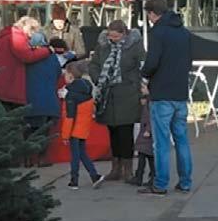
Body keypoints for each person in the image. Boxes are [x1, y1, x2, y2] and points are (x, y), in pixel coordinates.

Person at [140, 0, 193, 196]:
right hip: (180, 92)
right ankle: (185, 182)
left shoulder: (158, 32)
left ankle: (160, 184)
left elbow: (152, 61)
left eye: (148, 15)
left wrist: (144, 76)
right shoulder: (184, 32)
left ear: (152, 13)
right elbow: (188, 60)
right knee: (182, 140)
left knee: (161, 142)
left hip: (162, 93)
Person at [89, 19, 145, 183]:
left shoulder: (135, 46)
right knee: (112, 130)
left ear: (124, 34)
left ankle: (127, 169)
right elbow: (94, 64)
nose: (112, 39)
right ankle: (115, 168)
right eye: (110, 36)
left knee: (125, 131)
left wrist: (140, 88)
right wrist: (98, 79)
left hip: (128, 93)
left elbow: (143, 66)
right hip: (107, 93)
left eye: (116, 36)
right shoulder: (102, 45)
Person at [0, 16, 53, 109]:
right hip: (5, 84)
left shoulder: (6, 36)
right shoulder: (17, 36)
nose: (32, 35)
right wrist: (47, 51)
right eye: (32, 30)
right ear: (26, 26)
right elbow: (27, 56)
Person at [61, 61, 105, 190]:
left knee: (75, 156)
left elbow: (69, 116)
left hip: (74, 129)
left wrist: (65, 135)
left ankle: (74, 181)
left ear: (70, 75)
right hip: (83, 128)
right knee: (82, 154)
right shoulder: (86, 89)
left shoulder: (71, 95)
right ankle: (94, 176)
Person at [25, 31, 62, 136]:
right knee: (44, 137)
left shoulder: (28, 58)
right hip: (50, 105)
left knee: (30, 138)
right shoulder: (53, 57)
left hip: (31, 106)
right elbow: (58, 74)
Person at [126, 82, 155, 187]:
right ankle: (142, 175)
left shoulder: (151, 102)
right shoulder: (148, 100)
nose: (141, 90)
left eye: (143, 87)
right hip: (145, 131)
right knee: (144, 154)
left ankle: (146, 176)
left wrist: (148, 130)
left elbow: (152, 117)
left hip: (147, 132)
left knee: (148, 155)